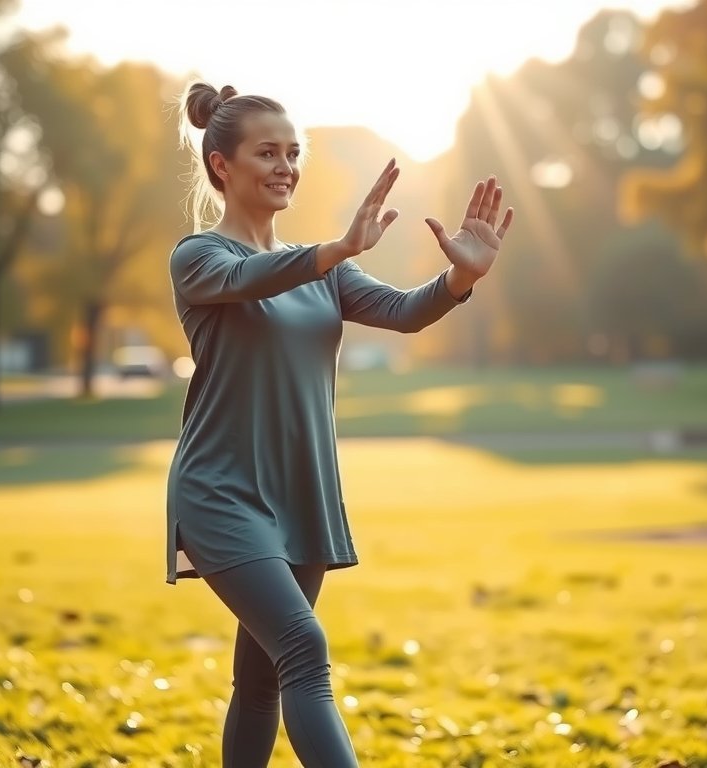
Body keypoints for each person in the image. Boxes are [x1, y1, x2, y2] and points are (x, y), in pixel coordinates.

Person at [165, 81, 514, 767]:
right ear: (221, 166)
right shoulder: (199, 258)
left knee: (262, 679)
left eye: (293, 152)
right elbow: (253, 279)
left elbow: (405, 312)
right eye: (268, 152)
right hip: (220, 494)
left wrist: (458, 280)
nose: (286, 166)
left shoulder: (323, 273)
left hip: (300, 494)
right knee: (303, 647)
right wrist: (337, 248)